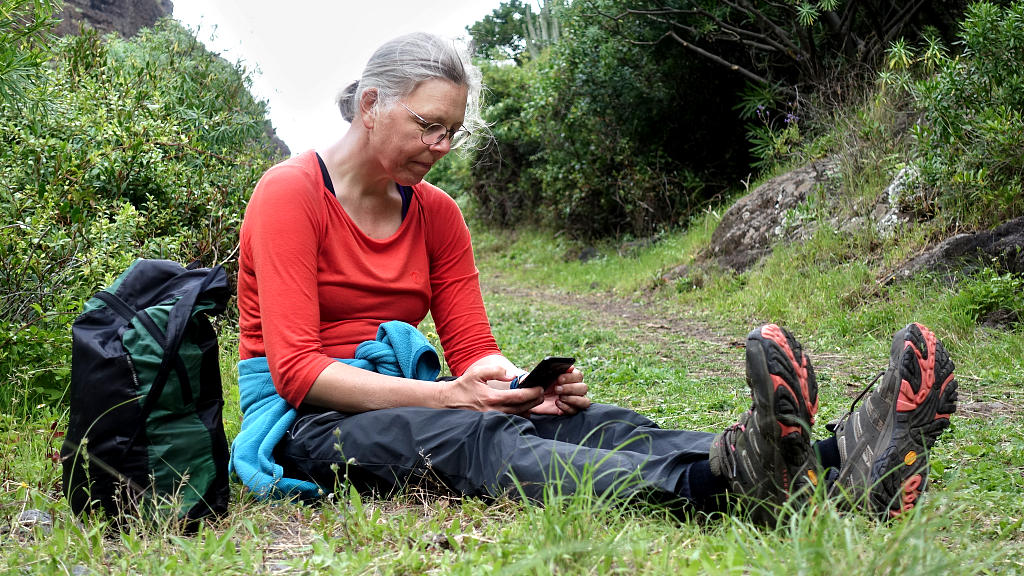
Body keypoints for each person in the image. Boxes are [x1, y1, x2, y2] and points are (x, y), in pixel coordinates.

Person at [228, 32, 959, 522]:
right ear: (369, 106)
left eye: (453, 130)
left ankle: (839, 459)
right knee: (479, 442)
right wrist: (453, 395)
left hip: (407, 399)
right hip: (306, 424)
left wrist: (522, 384)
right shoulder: (291, 194)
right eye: (427, 125)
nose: (443, 145)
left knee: (586, 422)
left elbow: (473, 346)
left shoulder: (439, 215)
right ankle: (726, 486)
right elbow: (295, 371)